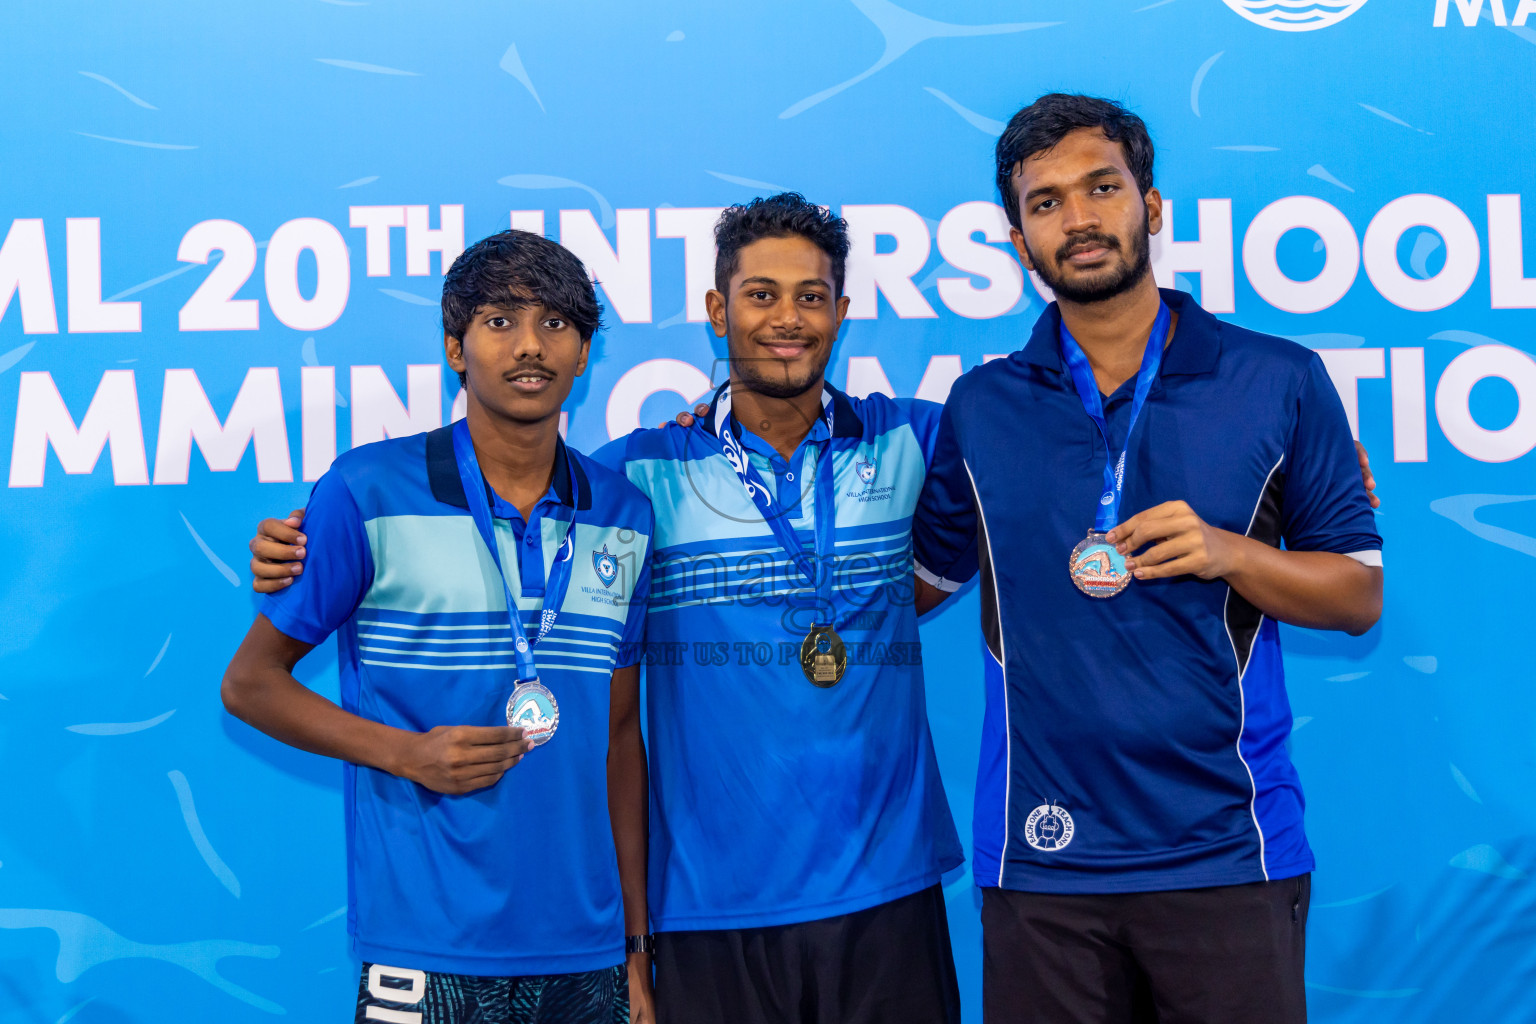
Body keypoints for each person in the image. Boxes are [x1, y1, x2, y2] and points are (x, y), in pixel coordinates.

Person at [249, 195, 965, 1024]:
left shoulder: (917, 440)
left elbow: (1029, 473)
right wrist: (297, 547)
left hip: (887, 897)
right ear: (716, 312)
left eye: (811, 296)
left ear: (842, 313)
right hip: (703, 913)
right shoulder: (638, 479)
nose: (787, 318)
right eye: (761, 293)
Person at [913, 94, 1385, 1024]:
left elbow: (1357, 597)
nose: (1078, 219)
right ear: (1016, 238)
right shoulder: (980, 407)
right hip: (1041, 861)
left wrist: (1230, 552)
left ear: (1152, 205)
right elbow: (916, 583)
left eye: (1102, 188)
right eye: (1045, 202)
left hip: (1229, 851)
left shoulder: (1278, 378)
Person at [221, 230, 656, 1024]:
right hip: (424, 950)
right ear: (456, 347)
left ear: (585, 351)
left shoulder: (624, 514)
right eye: (499, 322)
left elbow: (620, 741)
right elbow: (250, 684)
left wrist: (635, 949)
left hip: (587, 957)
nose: (530, 346)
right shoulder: (367, 489)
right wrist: (406, 754)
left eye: (556, 323)